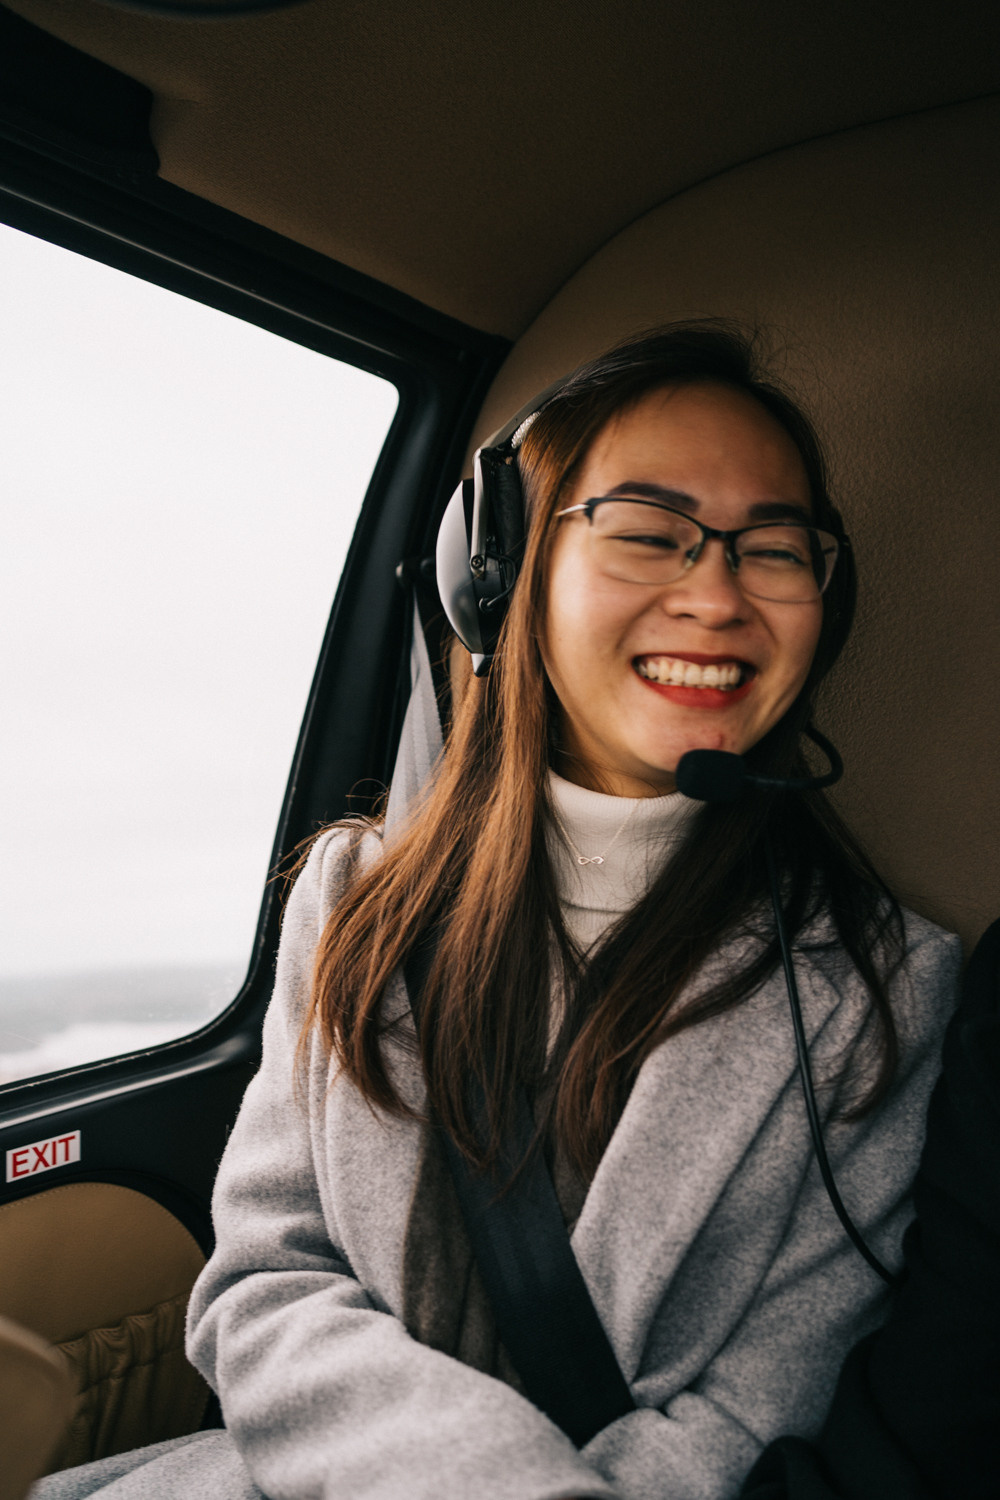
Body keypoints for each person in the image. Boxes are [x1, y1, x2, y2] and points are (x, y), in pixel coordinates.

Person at [31, 323, 960, 1500]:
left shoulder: (884, 989)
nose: (717, 595)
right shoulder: (356, 897)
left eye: (772, 551)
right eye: (647, 535)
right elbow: (265, 1281)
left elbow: (774, 1395)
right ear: (499, 575)